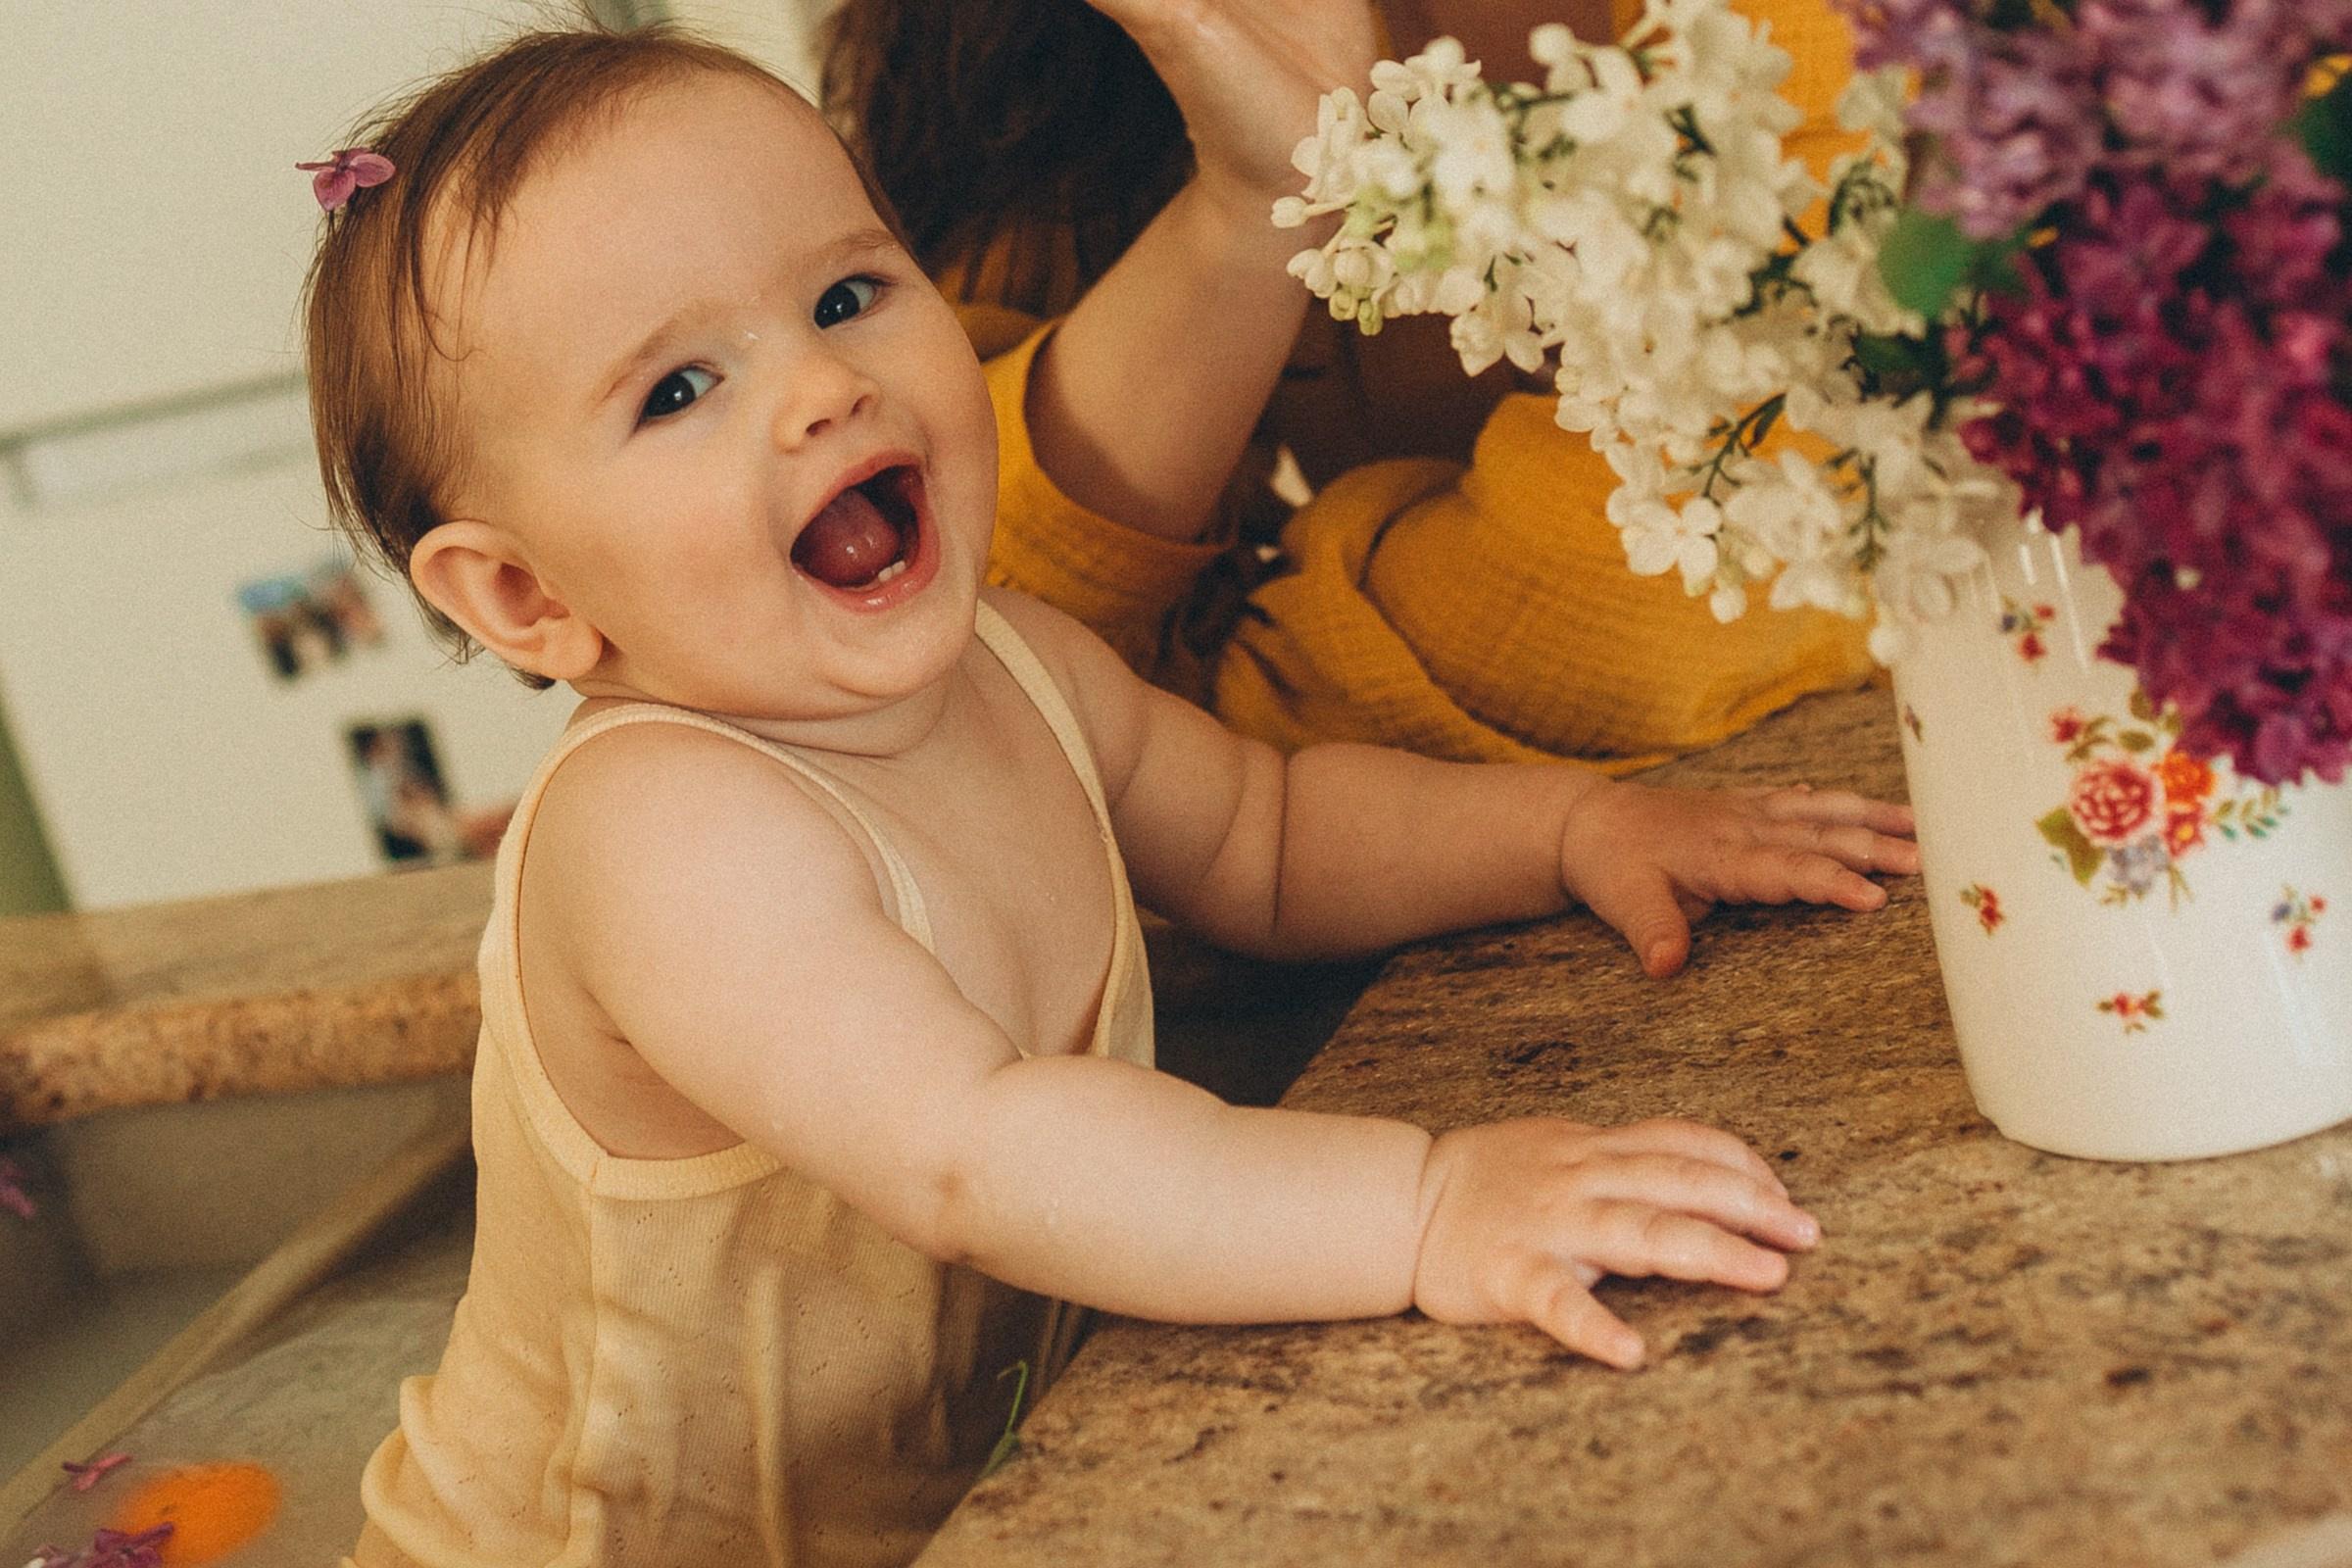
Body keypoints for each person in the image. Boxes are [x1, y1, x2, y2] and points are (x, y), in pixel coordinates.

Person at [305, 27, 1919, 1565]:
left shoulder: (1020, 664)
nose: (823, 387)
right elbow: (975, 1154)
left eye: (849, 295)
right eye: (678, 390)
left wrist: (1568, 828)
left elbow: (1270, 838)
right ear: (522, 597)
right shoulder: (665, 833)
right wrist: (1424, 1206)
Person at [826, 0, 1880, 772]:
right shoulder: (1023, 63)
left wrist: (1184, 751)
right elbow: (944, 646)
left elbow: (1664, 606)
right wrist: (1252, 206)